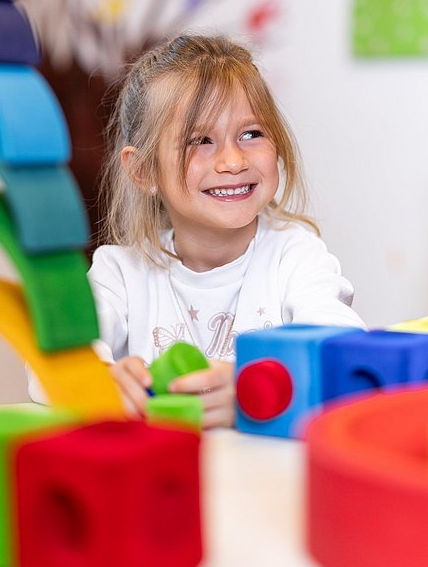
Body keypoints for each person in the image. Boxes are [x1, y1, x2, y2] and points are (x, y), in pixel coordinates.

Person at [87, 32, 365, 428]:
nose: (233, 161)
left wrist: (255, 389)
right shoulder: (120, 272)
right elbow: (52, 365)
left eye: (251, 134)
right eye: (200, 141)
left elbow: (343, 352)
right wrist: (97, 382)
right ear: (144, 169)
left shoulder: (296, 256)